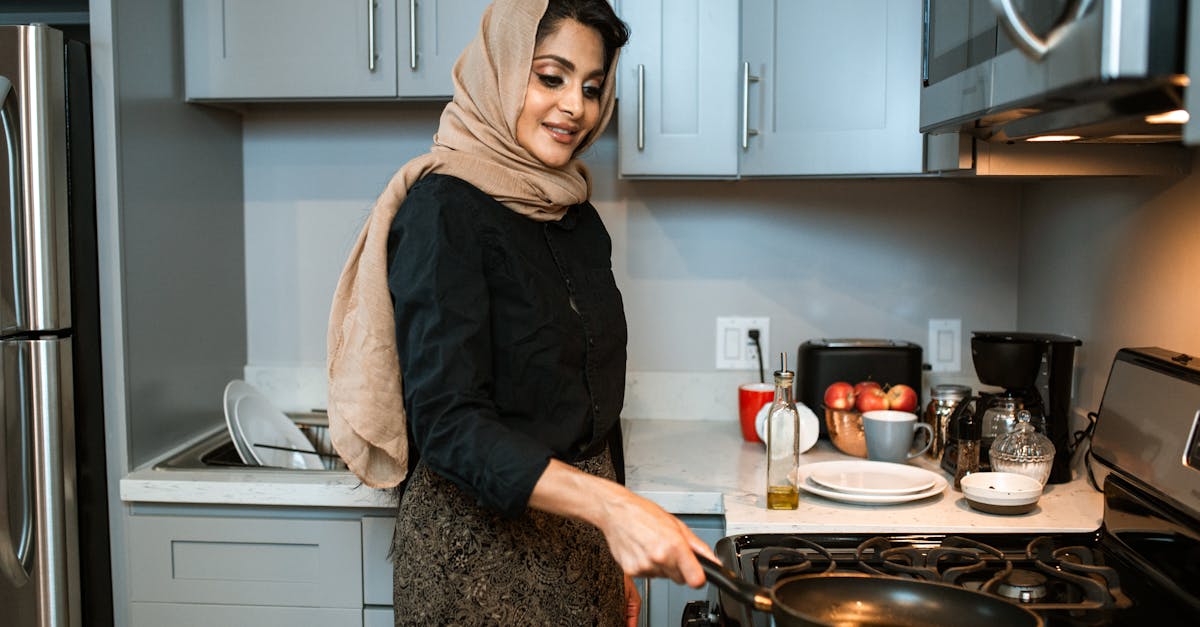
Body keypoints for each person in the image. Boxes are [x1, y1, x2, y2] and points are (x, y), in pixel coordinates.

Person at [325, 0, 717, 625]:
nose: (575, 107)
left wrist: (611, 547)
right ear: (500, 71)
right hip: (476, 560)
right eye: (550, 77)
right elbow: (449, 427)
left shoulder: (577, 217)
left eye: (592, 88)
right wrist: (611, 511)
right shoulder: (442, 211)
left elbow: (595, 405)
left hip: (580, 546)